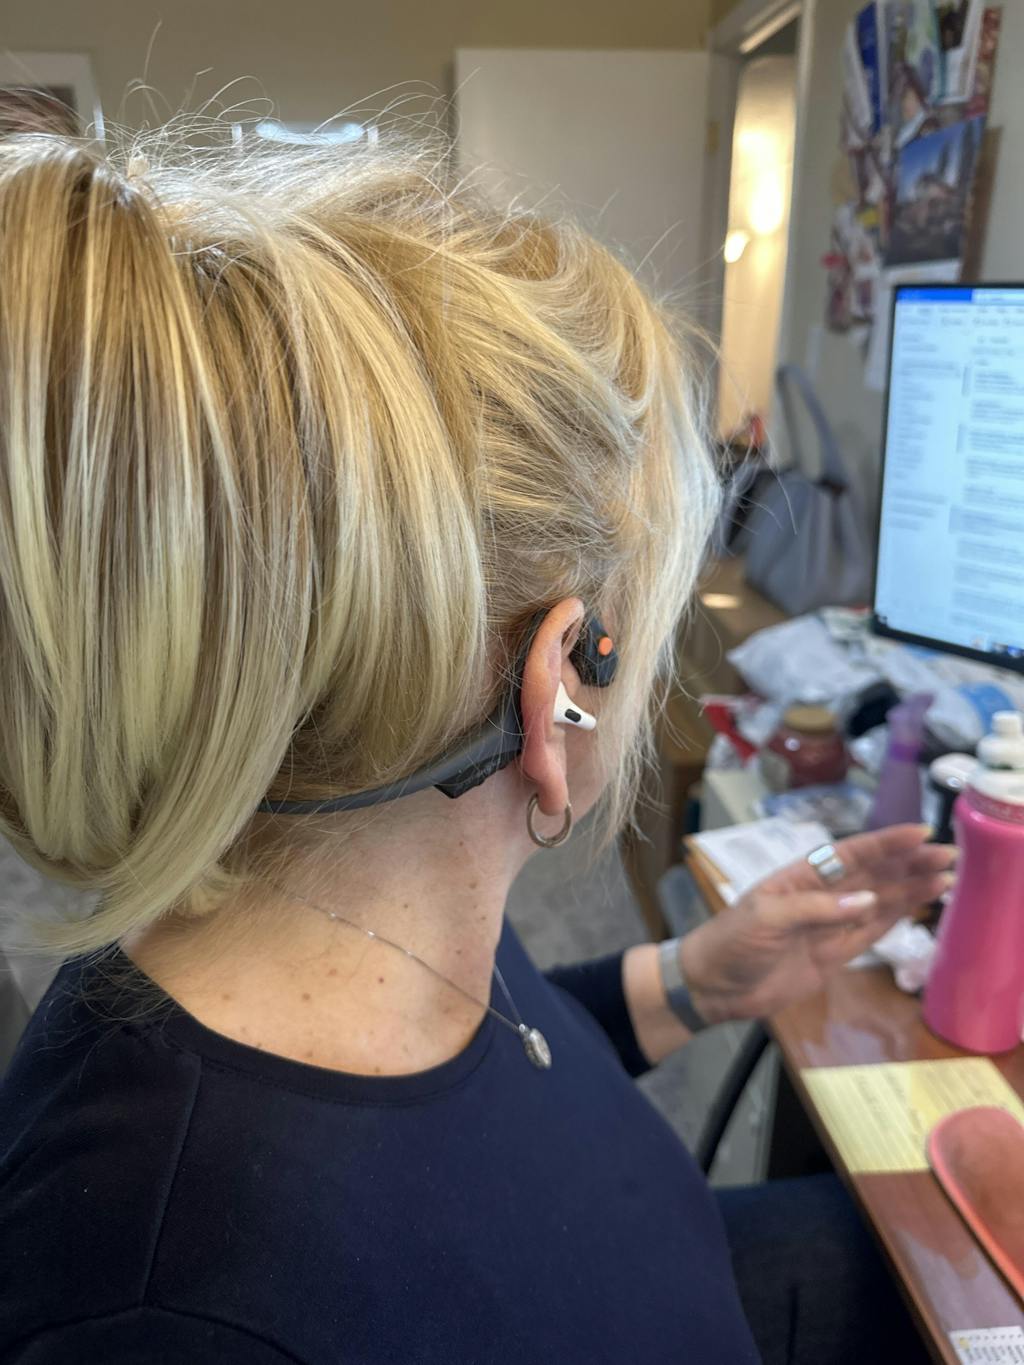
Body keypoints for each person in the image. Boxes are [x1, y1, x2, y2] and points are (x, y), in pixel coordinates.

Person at [0, 121, 952, 1365]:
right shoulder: (169, 1305)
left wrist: (694, 980)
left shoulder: (375, 867)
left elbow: (486, 1068)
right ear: (561, 688)